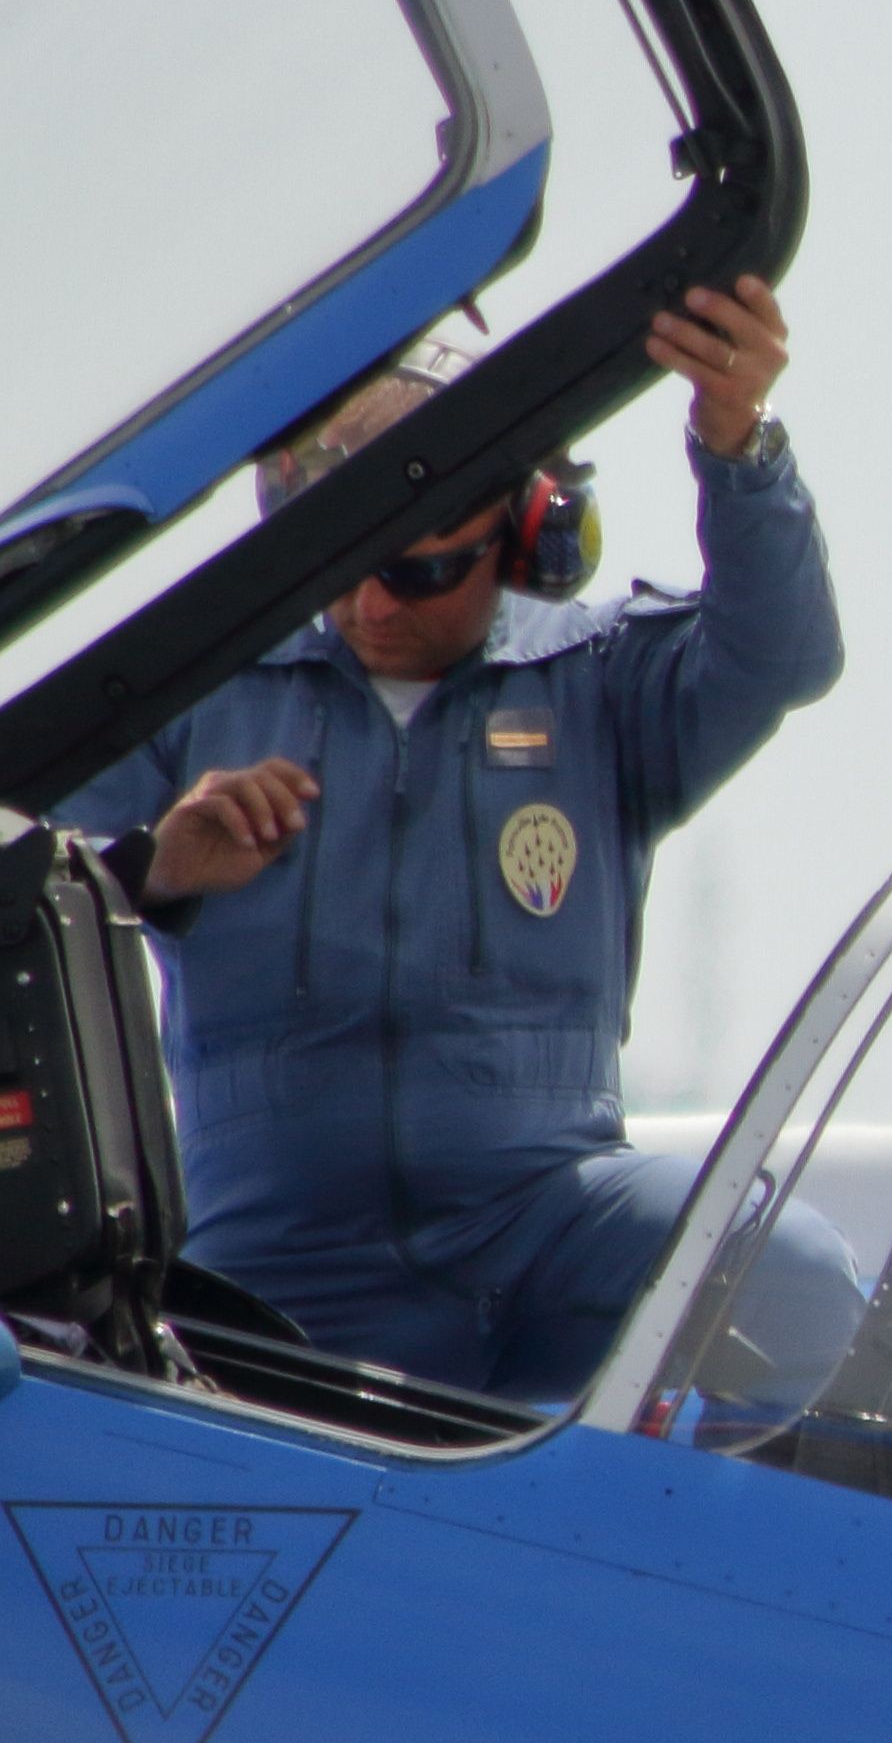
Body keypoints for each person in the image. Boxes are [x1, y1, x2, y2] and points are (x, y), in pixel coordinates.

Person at [59, 279, 839, 1401]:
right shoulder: (197, 695)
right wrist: (152, 868)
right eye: (350, 569)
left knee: (795, 1276)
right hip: (274, 1249)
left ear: (528, 542)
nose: (378, 607)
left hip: (541, 1223)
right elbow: (20, 862)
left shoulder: (602, 684)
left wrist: (738, 442)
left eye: (425, 572)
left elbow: (785, 653)